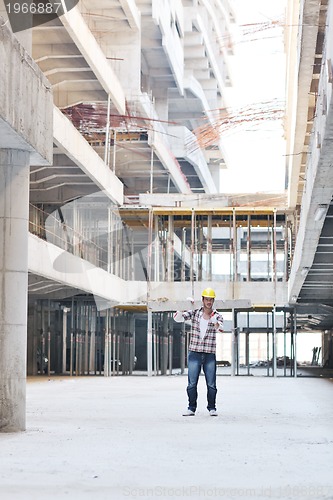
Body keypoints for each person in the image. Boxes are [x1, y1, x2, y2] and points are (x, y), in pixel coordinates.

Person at [174, 288, 223, 417]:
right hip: (194, 353)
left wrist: (215, 323)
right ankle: (191, 408)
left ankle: (212, 407)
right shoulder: (195, 313)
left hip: (209, 354)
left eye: (211, 299)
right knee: (191, 383)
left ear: (213, 301)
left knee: (211, 384)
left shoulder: (217, 315)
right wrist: (183, 307)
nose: (208, 302)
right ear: (202, 300)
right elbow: (178, 319)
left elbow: (220, 328)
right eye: (206, 299)